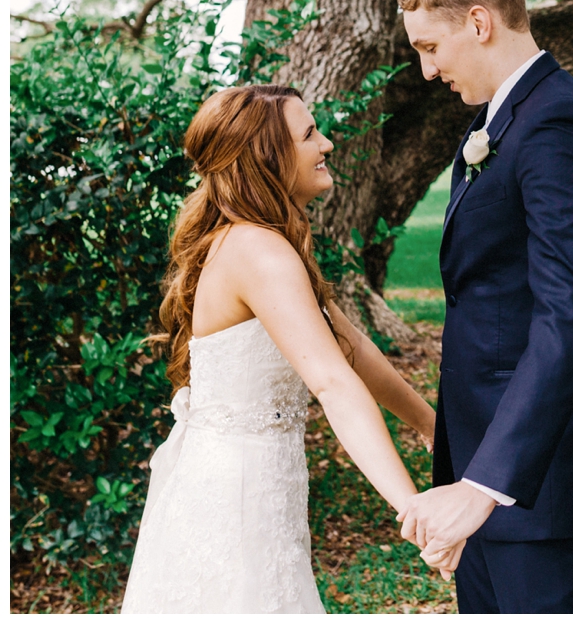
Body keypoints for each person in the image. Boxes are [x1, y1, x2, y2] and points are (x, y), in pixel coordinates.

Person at [122, 83, 453, 614]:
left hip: (255, 481)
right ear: (267, 157)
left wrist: (430, 426)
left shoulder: (259, 240)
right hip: (237, 495)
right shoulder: (259, 250)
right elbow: (332, 381)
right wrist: (412, 508)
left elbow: (351, 349)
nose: (326, 144)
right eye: (309, 134)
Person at [397, 0, 573, 614]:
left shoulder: (557, 124)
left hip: (546, 485)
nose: (428, 71)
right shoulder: (499, 121)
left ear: (479, 23)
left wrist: (484, 484)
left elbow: (572, 314)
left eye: (431, 47)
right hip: (490, 478)